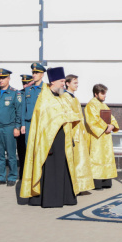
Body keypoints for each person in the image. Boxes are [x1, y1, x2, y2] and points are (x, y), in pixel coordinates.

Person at [21, 67, 94, 207]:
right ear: (53, 81)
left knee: (64, 167)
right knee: (51, 168)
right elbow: (47, 118)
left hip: (63, 137)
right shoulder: (44, 98)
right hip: (49, 140)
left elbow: (70, 112)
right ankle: (50, 199)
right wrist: (65, 117)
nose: (63, 83)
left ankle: (65, 197)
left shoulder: (63, 96)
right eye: (61, 81)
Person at [0, 68, 23, 186]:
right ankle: (1, 177)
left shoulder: (15, 93)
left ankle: (12, 176)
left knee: (11, 154)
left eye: (3, 78)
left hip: (9, 127)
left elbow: (19, 112)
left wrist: (17, 127)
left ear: (8, 78)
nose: (1, 80)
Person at [84, 83, 120, 189]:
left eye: (105, 93)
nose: (105, 95)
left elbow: (111, 117)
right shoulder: (91, 105)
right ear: (96, 94)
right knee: (96, 157)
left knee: (106, 157)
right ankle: (97, 182)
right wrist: (106, 127)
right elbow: (92, 120)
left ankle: (106, 181)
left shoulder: (104, 105)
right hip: (97, 137)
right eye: (102, 93)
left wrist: (112, 125)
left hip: (106, 136)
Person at [16, 74, 34, 177]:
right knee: (21, 151)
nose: (25, 85)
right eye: (23, 83)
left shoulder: (33, 92)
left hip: (29, 125)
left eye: (27, 83)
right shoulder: (19, 93)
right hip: (20, 126)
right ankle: (22, 171)